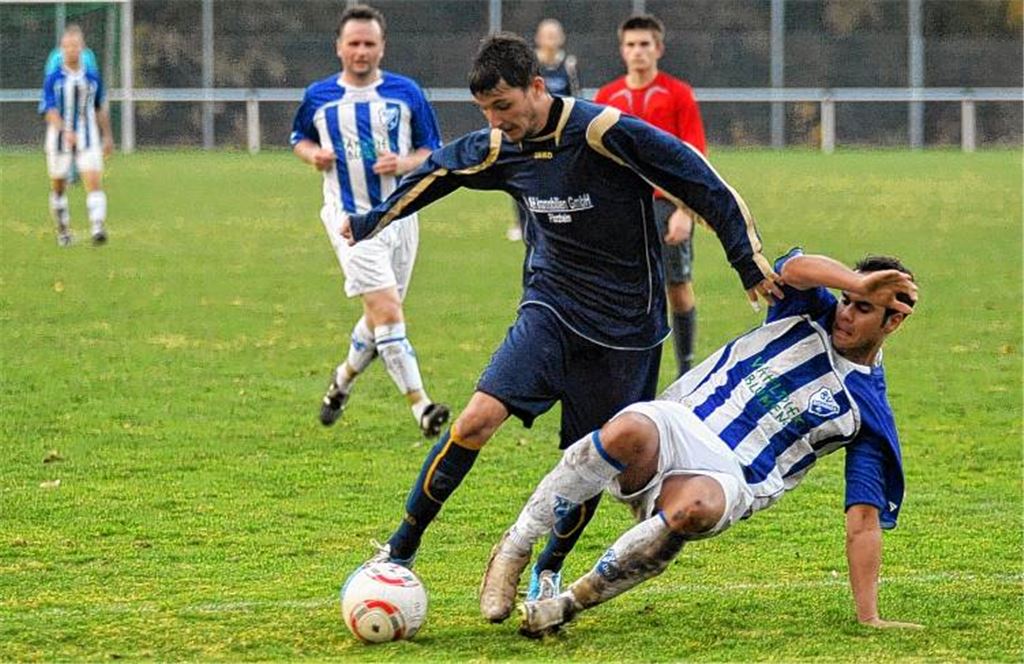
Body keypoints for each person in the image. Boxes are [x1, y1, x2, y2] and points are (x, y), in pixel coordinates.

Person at [342, 33, 782, 621]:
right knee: (475, 419)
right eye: (485, 112)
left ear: (536, 88)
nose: (497, 122)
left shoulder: (603, 132)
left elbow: (696, 176)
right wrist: (372, 221)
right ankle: (400, 550)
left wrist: (746, 258)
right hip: (550, 310)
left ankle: (546, 571)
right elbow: (439, 171)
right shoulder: (502, 147)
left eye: (504, 107)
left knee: (590, 460)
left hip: (628, 329)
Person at [479, 249, 922, 636]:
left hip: (729, 478)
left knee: (696, 508)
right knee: (625, 429)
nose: (846, 313)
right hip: (681, 419)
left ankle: (564, 605)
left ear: (895, 321)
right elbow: (793, 267)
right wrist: (857, 282)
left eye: (864, 308)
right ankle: (515, 547)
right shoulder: (807, 308)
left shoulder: (867, 412)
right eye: (847, 299)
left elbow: (863, 520)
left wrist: (869, 616)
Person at [290, 5, 450, 438]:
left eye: (369, 44)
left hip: (400, 219)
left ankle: (341, 382)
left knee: (381, 317)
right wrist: (313, 155)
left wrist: (404, 162)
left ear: (382, 47)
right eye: (354, 43)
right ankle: (422, 406)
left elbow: (430, 152)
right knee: (388, 311)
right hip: (351, 223)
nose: (361, 51)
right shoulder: (319, 96)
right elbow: (298, 138)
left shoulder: (406, 93)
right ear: (339, 47)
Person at [595, 14, 708, 378]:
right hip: (621, 208)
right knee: (625, 290)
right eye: (630, 45)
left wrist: (684, 211)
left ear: (658, 49)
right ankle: (628, 368)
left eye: (644, 44)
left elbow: (695, 158)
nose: (637, 52)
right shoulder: (607, 97)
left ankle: (685, 368)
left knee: (677, 286)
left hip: (665, 202)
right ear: (621, 50)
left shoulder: (678, 94)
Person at [507, 18, 581, 242]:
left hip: (559, 134)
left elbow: (576, 98)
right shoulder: (530, 66)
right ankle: (522, 224)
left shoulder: (567, 66)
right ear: (538, 38)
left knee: (560, 176)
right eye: (546, 35)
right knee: (525, 176)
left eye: (554, 35)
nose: (550, 40)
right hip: (531, 132)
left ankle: (561, 219)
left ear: (561, 39)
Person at [39, 25, 113, 246]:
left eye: (75, 46)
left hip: (87, 136)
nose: (71, 50)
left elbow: (99, 107)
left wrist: (107, 136)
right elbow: (48, 110)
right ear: (61, 49)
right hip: (59, 138)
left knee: (93, 181)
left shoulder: (92, 78)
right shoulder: (53, 79)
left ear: (82, 48)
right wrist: (65, 130)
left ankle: (98, 227)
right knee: (59, 186)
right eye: (67, 46)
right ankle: (63, 231)